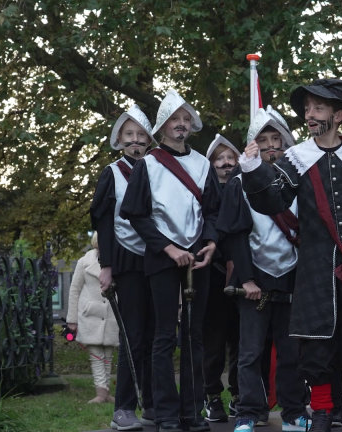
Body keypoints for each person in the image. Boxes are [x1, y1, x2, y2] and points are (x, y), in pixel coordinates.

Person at [238, 79, 342, 432]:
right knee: (316, 345)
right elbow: (271, 202)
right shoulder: (297, 159)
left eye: (318, 108)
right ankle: (322, 411)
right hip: (313, 265)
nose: (309, 114)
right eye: (307, 108)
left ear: (338, 115)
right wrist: (252, 169)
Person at [120, 89, 221, 432]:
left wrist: (210, 241)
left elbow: (212, 210)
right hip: (162, 258)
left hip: (199, 257)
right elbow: (136, 213)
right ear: (162, 126)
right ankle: (164, 413)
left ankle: (192, 412)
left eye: (185, 119)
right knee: (164, 336)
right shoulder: (148, 164)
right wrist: (167, 247)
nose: (181, 124)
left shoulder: (203, 164)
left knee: (194, 335)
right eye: (174, 120)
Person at [221, 106, 310, 432]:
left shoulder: (299, 178)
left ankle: (293, 412)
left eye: (277, 138)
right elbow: (235, 234)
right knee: (249, 353)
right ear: (253, 145)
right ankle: (248, 412)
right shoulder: (238, 183)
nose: (271, 145)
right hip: (253, 276)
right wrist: (246, 278)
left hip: (292, 275)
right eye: (264, 139)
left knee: (291, 352)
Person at [89, 104, 156, 430]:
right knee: (134, 336)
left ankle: (155, 404)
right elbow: (103, 222)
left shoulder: (158, 169)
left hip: (158, 259)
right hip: (127, 261)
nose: (135, 140)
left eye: (141, 135)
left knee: (158, 335)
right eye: (129, 135)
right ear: (119, 138)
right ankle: (125, 407)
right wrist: (107, 266)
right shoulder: (112, 173)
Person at [202, 134, 242, 422]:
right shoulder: (204, 193)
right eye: (220, 158)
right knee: (213, 340)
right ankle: (212, 396)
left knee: (242, 340)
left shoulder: (247, 190)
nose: (226, 162)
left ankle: (240, 396)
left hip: (244, 274)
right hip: (213, 275)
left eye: (231, 157)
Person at [67, 232, 120, 405]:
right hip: (91, 315)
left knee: (108, 355)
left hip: (112, 314)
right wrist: (72, 320)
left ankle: (105, 393)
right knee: (96, 354)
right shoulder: (84, 262)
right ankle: (100, 392)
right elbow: (75, 290)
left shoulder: (118, 261)